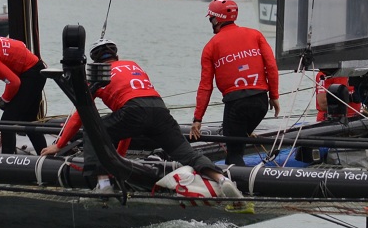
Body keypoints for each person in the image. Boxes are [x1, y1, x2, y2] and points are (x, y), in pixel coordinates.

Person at [40, 39, 240, 198]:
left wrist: (59, 145)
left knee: (94, 132)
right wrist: (120, 157)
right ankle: (221, 179)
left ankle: (103, 186)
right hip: (159, 110)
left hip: (134, 111)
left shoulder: (97, 75)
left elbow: (80, 115)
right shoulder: (132, 65)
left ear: (95, 61)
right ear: (117, 55)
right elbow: (128, 128)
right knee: (186, 153)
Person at [189, 0, 281, 166]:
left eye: (211, 19)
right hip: (260, 103)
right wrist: (274, 96)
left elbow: (205, 87)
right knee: (237, 145)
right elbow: (271, 66)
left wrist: (197, 119)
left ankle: (240, 187)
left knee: (234, 152)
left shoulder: (211, 47)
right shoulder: (255, 34)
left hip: (236, 106)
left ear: (216, 20)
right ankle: (234, 179)